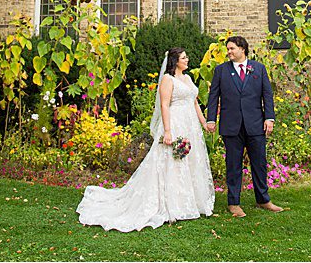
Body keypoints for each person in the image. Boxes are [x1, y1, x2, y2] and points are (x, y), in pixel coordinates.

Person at [77, 47, 215, 231]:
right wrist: (167, 131)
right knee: (171, 161)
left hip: (191, 125)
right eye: (184, 57)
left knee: (189, 161)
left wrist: (204, 123)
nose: (187, 59)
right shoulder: (168, 79)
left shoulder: (188, 79)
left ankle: (191, 201)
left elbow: (194, 101)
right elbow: (164, 105)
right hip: (175, 122)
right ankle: (172, 204)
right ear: (175, 61)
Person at [205, 35, 283, 216]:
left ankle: (263, 199)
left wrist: (269, 118)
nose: (229, 52)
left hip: (255, 124)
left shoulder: (259, 69)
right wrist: (210, 119)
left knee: (259, 163)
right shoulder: (221, 71)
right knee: (233, 165)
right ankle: (233, 203)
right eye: (228, 49)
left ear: (242, 49)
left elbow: (267, 95)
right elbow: (213, 96)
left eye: (232, 48)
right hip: (231, 126)